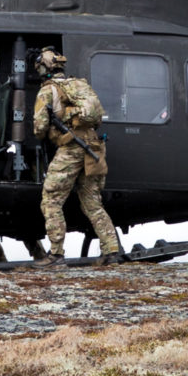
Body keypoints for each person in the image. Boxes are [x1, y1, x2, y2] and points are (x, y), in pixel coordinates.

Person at [31, 49, 123, 263]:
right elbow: (96, 118)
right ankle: (111, 251)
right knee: (92, 203)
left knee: (51, 200)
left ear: (43, 68)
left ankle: (55, 254)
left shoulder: (47, 90)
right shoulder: (78, 85)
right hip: (93, 146)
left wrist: (47, 132)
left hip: (70, 148)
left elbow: (39, 127)